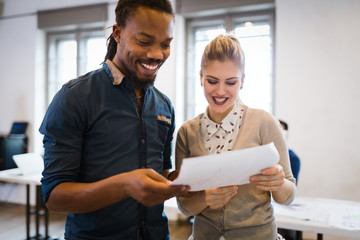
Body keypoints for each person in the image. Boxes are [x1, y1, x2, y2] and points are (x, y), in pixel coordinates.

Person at [39, 0, 189, 239]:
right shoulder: (75, 97)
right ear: (118, 33)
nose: (156, 55)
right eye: (144, 41)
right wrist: (124, 185)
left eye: (166, 44)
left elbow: (160, 175)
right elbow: (54, 196)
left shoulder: (164, 106)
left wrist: (183, 179)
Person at [175, 35, 296, 240]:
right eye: (212, 81)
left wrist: (279, 183)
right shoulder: (187, 133)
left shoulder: (264, 122)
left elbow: (288, 196)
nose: (220, 91)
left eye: (230, 82)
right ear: (200, 77)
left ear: (242, 81)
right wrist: (205, 198)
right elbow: (184, 206)